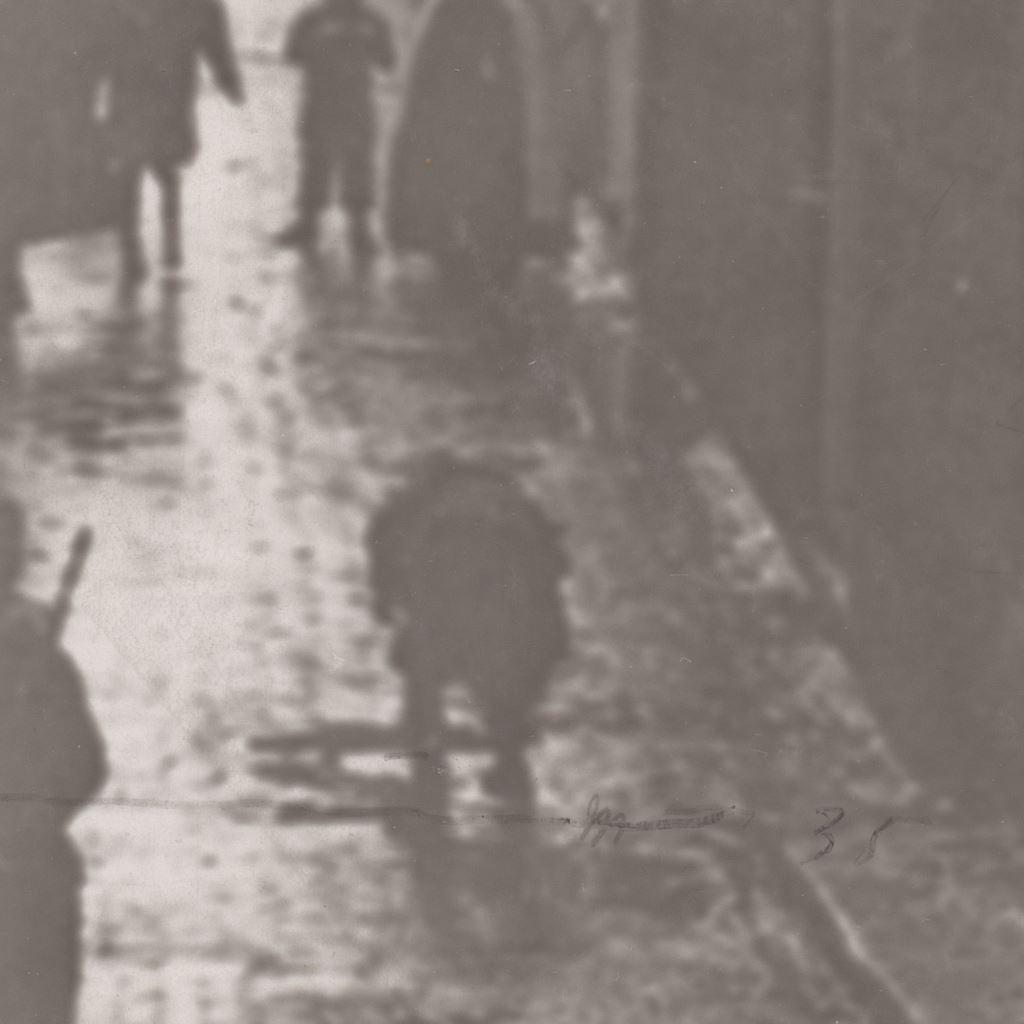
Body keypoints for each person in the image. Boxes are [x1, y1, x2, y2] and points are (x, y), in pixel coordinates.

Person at [365, 453, 570, 802]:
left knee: (423, 665)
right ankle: (508, 751)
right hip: (508, 581)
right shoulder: (514, 501)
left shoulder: (408, 504)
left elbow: (383, 549)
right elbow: (554, 569)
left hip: (447, 576)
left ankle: (428, 754)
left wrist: (384, 600)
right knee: (510, 671)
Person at [0, 498, 107, 1024]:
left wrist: (34, 815)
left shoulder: (40, 657)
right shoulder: (39, 652)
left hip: (31, 883)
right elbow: (85, 764)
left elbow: (83, 763)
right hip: (33, 880)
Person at [388, 0, 527, 298]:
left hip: (469, 120)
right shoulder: (466, 13)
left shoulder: (480, 14)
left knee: (469, 192)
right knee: (458, 191)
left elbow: (508, 75)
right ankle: (462, 257)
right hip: (458, 120)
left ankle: (468, 257)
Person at [107, 0, 245, 284]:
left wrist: (229, 81)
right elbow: (215, 42)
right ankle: (141, 248)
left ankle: (151, 246)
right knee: (146, 171)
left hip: (156, 97)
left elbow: (214, 42)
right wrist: (229, 81)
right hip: (150, 96)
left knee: (146, 170)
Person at [274, 0, 395, 259]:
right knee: (317, 162)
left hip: (349, 106)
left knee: (354, 164)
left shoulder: (367, 21)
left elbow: (387, 59)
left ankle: (356, 228)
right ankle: (312, 223)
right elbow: (292, 54)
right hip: (326, 104)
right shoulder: (315, 19)